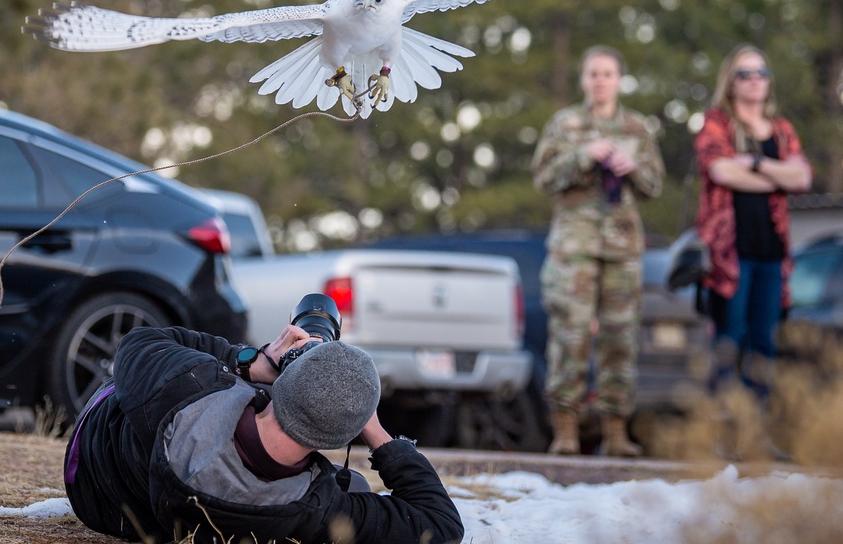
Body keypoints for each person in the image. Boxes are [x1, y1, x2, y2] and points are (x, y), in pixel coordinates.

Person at [62, 297, 464, 544]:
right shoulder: (313, 512)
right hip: (119, 519)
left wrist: (252, 362)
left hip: (90, 468)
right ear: (342, 435)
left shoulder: (192, 386)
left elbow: (139, 342)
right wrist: (376, 431)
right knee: (356, 485)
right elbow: (442, 523)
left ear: (281, 383)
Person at [532, 45, 664, 457]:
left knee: (620, 338)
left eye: (607, 74)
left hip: (622, 249)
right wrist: (580, 156)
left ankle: (616, 431)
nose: (600, 81)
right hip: (575, 248)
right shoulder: (565, 124)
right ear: (584, 79)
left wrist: (633, 167)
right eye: (593, 74)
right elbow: (543, 177)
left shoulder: (637, 128)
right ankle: (566, 430)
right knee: (570, 336)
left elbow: (654, 185)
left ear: (619, 79)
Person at [694, 44, 811, 453]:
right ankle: (722, 435)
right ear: (732, 80)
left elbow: (801, 179)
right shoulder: (716, 123)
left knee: (764, 341)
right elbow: (719, 169)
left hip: (772, 252)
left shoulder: (779, 129)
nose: (755, 79)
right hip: (730, 254)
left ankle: (755, 433)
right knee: (730, 338)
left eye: (761, 72)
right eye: (745, 73)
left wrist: (756, 165)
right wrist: (776, 177)